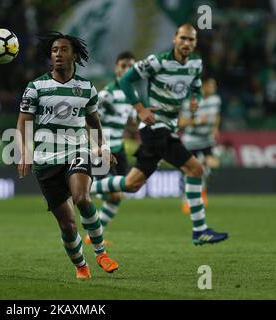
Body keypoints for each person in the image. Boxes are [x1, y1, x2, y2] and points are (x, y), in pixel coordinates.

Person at [90, 24, 229, 246]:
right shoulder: (158, 61)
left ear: (195, 43)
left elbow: (195, 86)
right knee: (195, 168)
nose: (186, 43)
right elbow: (126, 80)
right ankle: (200, 230)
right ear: (175, 39)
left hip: (168, 129)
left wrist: (196, 100)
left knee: (131, 184)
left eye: (191, 40)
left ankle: (83, 188)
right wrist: (140, 109)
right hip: (155, 128)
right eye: (183, 38)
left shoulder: (195, 64)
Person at [16, 32, 119, 279]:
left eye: (63, 49)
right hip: (46, 160)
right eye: (54, 50)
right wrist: (24, 152)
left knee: (82, 197)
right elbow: (23, 122)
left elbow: (94, 123)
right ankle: (81, 265)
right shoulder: (36, 87)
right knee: (67, 224)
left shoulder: (85, 88)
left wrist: (102, 148)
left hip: (77, 151)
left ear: (74, 55)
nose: (58, 54)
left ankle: (101, 252)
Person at [85, 51, 138, 245]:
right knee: (113, 193)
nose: (127, 69)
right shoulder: (107, 94)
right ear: (116, 68)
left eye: (130, 66)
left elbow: (130, 122)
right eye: (123, 65)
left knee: (118, 196)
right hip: (103, 150)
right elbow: (89, 120)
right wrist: (95, 145)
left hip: (120, 150)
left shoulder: (133, 95)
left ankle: (92, 236)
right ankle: (80, 187)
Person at [179, 77, 221, 213]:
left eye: (215, 85)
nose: (214, 88)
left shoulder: (216, 100)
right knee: (191, 172)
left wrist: (215, 127)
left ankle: (201, 190)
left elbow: (217, 115)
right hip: (191, 141)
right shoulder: (191, 102)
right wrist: (197, 121)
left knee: (212, 165)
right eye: (211, 85)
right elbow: (181, 123)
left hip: (207, 140)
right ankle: (187, 200)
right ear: (203, 86)